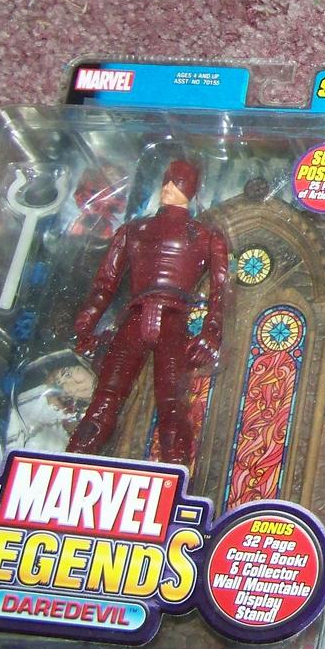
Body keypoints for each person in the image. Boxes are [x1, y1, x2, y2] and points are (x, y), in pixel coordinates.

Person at [68, 159, 229, 465]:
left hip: (173, 319)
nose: (168, 188)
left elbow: (220, 292)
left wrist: (211, 332)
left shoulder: (206, 236)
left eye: (178, 182)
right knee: (105, 400)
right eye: (167, 181)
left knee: (172, 406)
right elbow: (105, 284)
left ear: (192, 189)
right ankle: (74, 460)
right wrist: (85, 325)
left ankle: (176, 472)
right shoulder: (134, 230)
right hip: (137, 315)